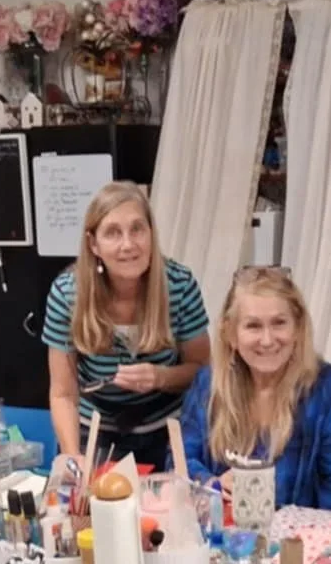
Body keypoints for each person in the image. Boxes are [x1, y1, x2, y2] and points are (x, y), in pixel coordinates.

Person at [43, 181, 211, 469]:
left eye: (137, 229)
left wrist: (160, 377)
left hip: (168, 429)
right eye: (112, 233)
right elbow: (63, 392)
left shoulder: (179, 285)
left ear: (151, 234)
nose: (128, 244)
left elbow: (202, 371)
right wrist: (73, 455)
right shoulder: (67, 294)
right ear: (93, 244)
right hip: (95, 431)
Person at [177, 266, 331, 510]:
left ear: (298, 328)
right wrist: (212, 485)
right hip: (222, 538)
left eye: (279, 323)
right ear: (231, 334)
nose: (267, 340)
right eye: (253, 326)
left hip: (302, 542)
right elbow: (180, 459)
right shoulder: (208, 383)